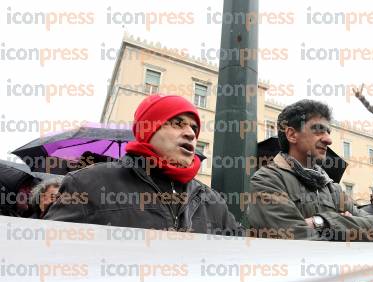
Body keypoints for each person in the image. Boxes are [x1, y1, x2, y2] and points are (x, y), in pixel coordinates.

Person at [46, 94, 242, 235]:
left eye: (194, 127)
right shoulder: (87, 184)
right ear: (149, 130)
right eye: (177, 123)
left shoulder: (212, 201)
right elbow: (48, 258)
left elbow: (245, 255)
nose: (191, 133)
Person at [247, 99, 373, 241]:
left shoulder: (333, 188)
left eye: (328, 131)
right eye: (319, 130)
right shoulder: (266, 181)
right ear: (291, 135)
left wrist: (321, 221)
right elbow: (294, 239)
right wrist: (347, 226)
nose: (328, 139)